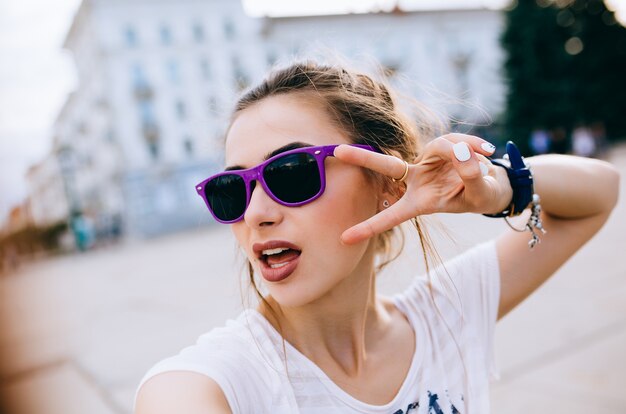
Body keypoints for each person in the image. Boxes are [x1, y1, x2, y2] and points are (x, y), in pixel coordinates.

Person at [134, 61, 620, 413]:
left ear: (387, 181)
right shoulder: (221, 381)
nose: (256, 214)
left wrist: (496, 189)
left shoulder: (445, 315)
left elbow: (600, 191)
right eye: (231, 189)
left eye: (293, 172)